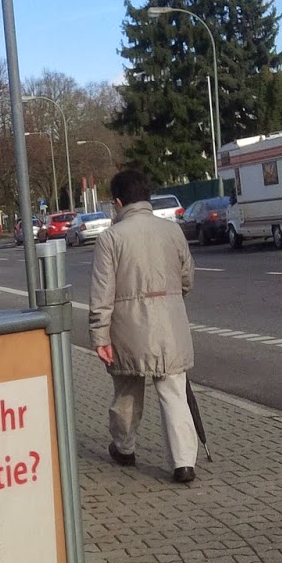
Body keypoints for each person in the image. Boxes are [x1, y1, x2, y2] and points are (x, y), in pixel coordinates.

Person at [89, 168, 199, 484]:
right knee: (174, 392)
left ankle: (124, 448)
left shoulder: (111, 238)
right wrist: (171, 300)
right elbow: (187, 278)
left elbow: (102, 293)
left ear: (118, 202)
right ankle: (183, 463)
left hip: (127, 328)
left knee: (127, 389)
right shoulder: (173, 231)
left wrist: (99, 335)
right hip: (170, 325)